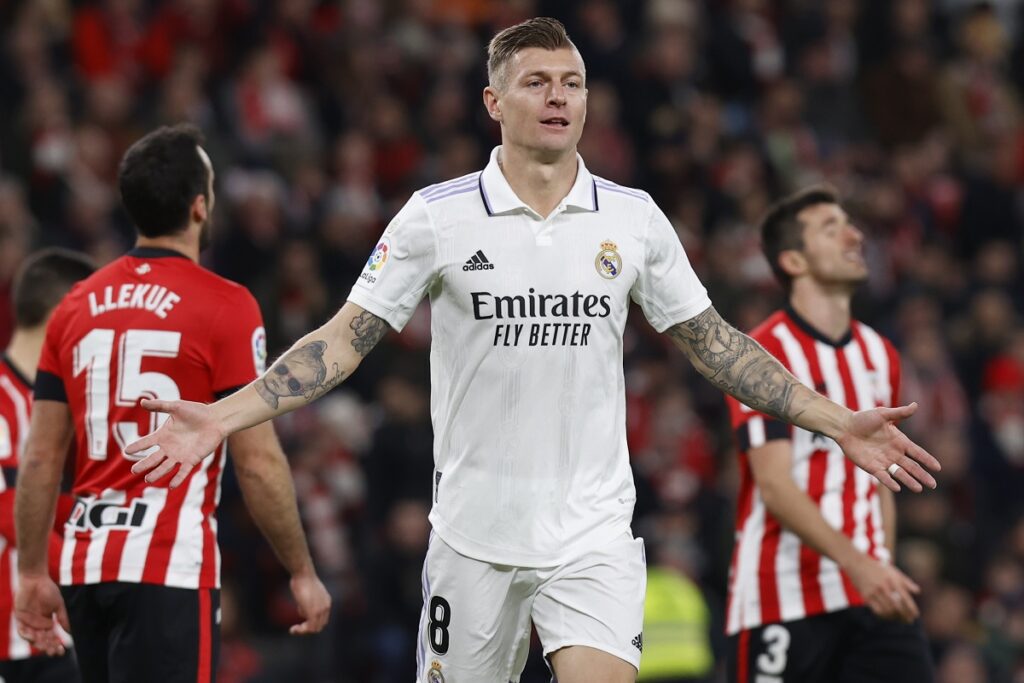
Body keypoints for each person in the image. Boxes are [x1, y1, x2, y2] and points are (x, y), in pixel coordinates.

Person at [124, 19, 937, 683]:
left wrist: (836, 422)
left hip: (591, 535)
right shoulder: (436, 217)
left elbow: (717, 344)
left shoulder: (633, 218)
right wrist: (222, 417)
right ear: (494, 100)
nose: (559, 97)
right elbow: (342, 339)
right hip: (473, 539)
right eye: (537, 82)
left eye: (573, 83)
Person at [14, 124, 331, 683]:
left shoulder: (74, 306)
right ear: (200, 207)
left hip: (83, 568)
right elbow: (257, 460)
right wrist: (301, 570)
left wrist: (33, 570)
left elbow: (40, 458)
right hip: (167, 566)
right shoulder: (227, 305)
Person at [724, 187, 934, 682]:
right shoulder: (762, 353)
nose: (854, 235)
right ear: (793, 259)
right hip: (783, 596)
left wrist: (880, 563)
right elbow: (774, 486)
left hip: (871, 592)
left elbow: (884, 477)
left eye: (849, 223)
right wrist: (860, 565)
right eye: (830, 227)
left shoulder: (880, 352)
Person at [0, 248, 95, 683]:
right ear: (64, 313)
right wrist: (87, 578)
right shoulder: (4, 401)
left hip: (47, 635)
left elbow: (48, 501)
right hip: (14, 642)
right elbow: (11, 508)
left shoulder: (47, 402)